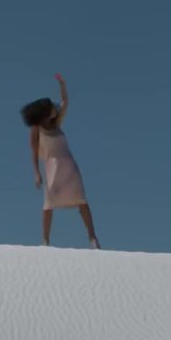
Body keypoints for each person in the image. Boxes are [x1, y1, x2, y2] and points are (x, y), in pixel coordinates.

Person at [22, 74, 99, 248]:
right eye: (51, 108)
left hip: (69, 166)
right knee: (48, 205)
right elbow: (33, 152)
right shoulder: (36, 129)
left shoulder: (57, 123)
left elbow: (65, 101)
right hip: (51, 167)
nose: (55, 109)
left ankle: (93, 237)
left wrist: (62, 84)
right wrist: (36, 174)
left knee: (82, 201)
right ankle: (45, 241)